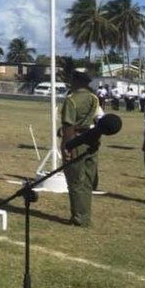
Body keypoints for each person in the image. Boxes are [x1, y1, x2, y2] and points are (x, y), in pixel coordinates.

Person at [60, 69, 101, 227]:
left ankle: (79, 217)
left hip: (76, 140)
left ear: (76, 80)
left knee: (75, 181)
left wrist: (67, 147)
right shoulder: (94, 98)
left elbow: (68, 126)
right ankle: (85, 214)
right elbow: (99, 120)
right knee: (88, 181)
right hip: (91, 140)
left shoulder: (71, 100)